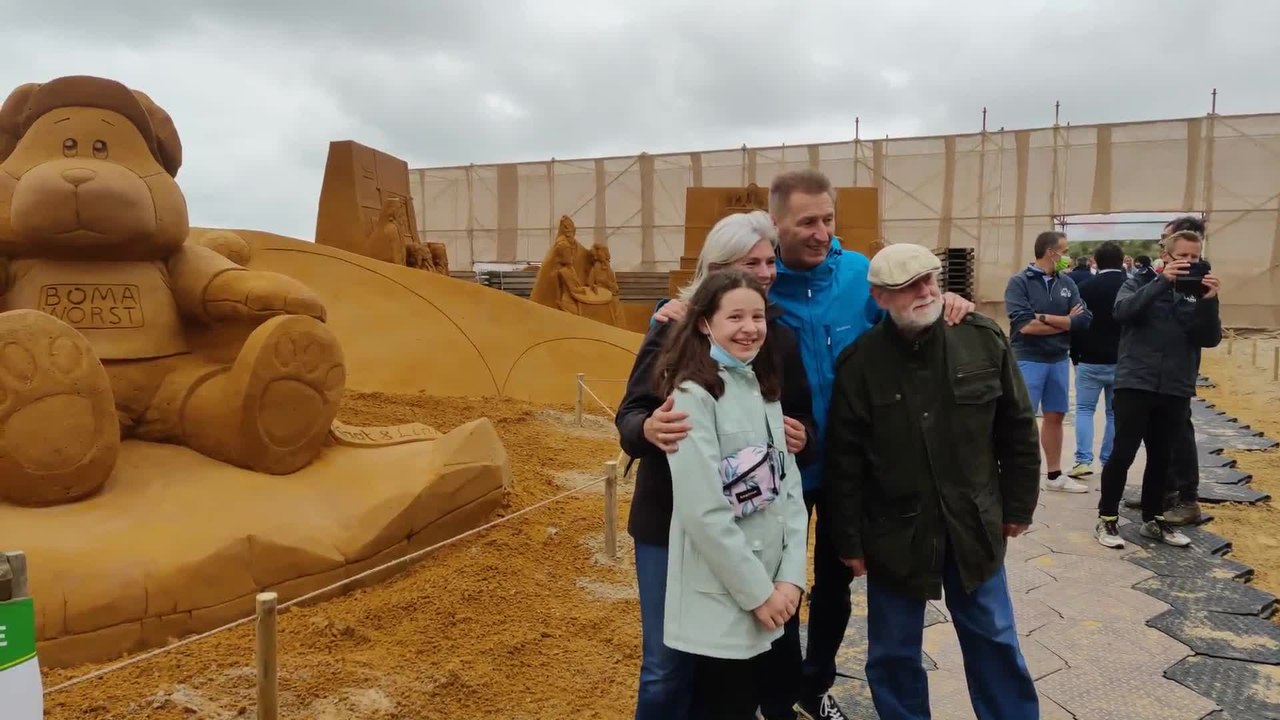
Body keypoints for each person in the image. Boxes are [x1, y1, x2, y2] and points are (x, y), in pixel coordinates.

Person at [652, 169, 975, 720]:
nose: (822, 232)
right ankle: (764, 688)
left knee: (832, 583)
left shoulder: (857, 275)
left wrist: (947, 307)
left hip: (849, 465)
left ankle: (813, 683)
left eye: (828, 219)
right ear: (777, 226)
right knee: (764, 576)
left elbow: (906, 327)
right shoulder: (760, 302)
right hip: (776, 476)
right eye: (807, 222)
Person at [825, 243, 1042, 720]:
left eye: (930, 279)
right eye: (909, 287)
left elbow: (1017, 427)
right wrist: (849, 540)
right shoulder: (860, 365)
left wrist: (1020, 505)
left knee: (994, 641)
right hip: (894, 533)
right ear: (881, 298)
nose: (926, 292)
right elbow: (845, 462)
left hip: (973, 525)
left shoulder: (982, 338)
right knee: (892, 654)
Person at [615, 210, 816, 720]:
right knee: (667, 663)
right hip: (670, 521)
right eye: (753, 262)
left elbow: (795, 419)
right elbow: (632, 413)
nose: (767, 272)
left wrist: (802, 435)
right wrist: (647, 430)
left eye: (771, 261)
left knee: (730, 662)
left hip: (747, 530)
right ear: (719, 265)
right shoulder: (671, 329)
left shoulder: (774, 338)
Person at [656, 268, 810, 718]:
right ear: (706, 323)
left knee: (771, 697)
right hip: (726, 593)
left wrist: (790, 578)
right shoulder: (692, 395)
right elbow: (702, 510)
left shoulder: (763, 389)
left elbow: (790, 490)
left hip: (774, 589)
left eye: (758, 316)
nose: (749, 328)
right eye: (735, 317)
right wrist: (758, 593)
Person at [1094, 225, 1222, 549]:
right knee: (1123, 452)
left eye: (1196, 257)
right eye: (1183, 256)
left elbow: (1209, 338)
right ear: (1166, 255)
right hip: (1136, 381)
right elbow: (1122, 312)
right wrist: (1162, 281)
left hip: (1176, 386)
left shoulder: (1197, 292)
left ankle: (1154, 518)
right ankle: (1107, 518)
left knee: (1162, 458)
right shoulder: (1138, 281)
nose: (1190, 262)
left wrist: (1210, 301)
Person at [1003, 230, 1093, 493]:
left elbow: (1083, 320)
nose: (1067, 257)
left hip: (1058, 359)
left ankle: (1054, 475)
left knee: (1055, 415)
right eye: (1064, 252)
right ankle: (1015, 475)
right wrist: (1066, 323)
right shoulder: (1019, 282)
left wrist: (1044, 318)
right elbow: (1024, 326)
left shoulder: (1067, 283)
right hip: (1028, 359)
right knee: (1022, 418)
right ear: (1050, 252)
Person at [1067, 241, 1127, 479]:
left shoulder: (1085, 288)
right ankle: (1109, 460)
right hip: (1122, 360)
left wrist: (1075, 355)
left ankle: (1083, 460)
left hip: (1089, 359)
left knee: (1083, 410)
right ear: (1122, 261)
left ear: (1095, 261)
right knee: (1114, 413)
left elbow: (1076, 325)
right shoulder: (1130, 287)